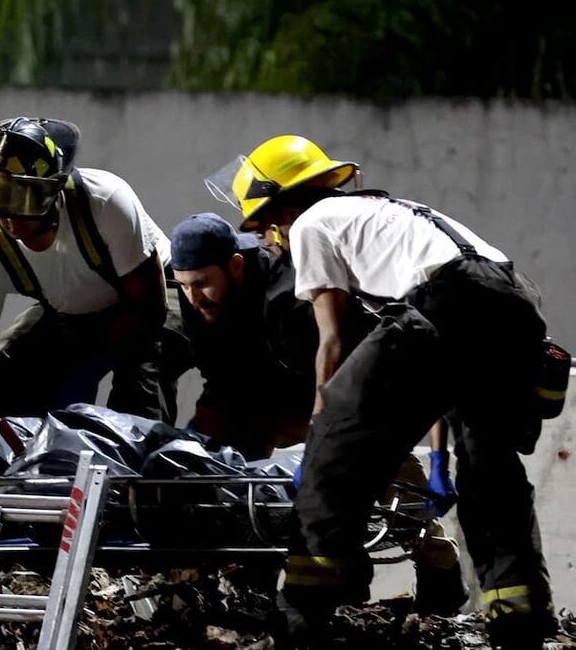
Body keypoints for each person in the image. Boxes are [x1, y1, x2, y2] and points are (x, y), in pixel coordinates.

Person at [226, 134, 556, 648]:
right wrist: (440, 459)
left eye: (269, 227)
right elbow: (442, 365)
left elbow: (332, 341)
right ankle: (520, 619)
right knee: (491, 471)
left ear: (285, 207)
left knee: (335, 450)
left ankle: (304, 620)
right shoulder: (384, 211)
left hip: (447, 300)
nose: (272, 241)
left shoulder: (313, 224)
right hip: (513, 300)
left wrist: (320, 431)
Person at [168, 212, 467, 616]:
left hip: (346, 390)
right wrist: (198, 444)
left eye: (201, 283)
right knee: (230, 474)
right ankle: (253, 577)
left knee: (383, 478)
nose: (193, 296)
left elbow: (349, 366)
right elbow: (220, 379)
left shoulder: (290, 295)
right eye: (184, 285)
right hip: (260, 399)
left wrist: (326, 441)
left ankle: (437, 561)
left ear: (235, 266)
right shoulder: (198, 302)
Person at [0, 116, 175, 425]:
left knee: (141, 373)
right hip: (72, 309)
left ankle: (141, 465)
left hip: (154, 293)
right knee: (14, 359)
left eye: (22, 198)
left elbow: (149, 309)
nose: (9, 217)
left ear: (52, 191)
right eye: (0, 197)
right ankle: (13, 460)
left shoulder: (105, 201)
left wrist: (84, 367)